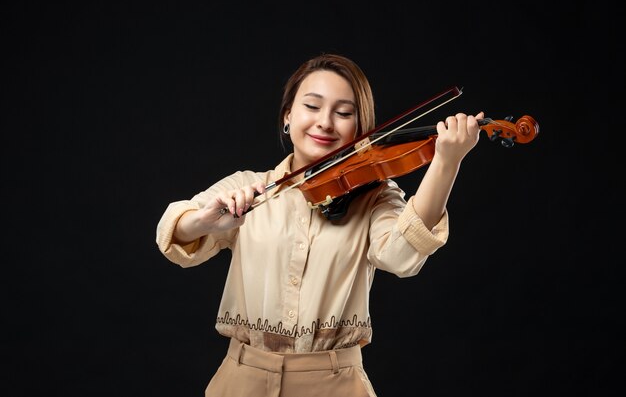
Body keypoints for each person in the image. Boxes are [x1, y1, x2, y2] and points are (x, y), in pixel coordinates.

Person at [156, 53, 483, 396]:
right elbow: (174, 230)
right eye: (312, 106)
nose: (325, 122)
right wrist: (205, 220)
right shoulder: (249, 188)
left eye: (343, 113)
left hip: (336, 384)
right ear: (288, 115)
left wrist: (446, 163)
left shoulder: (376, 197)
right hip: (241, 381)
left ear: (359, 128)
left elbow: (402, 257)